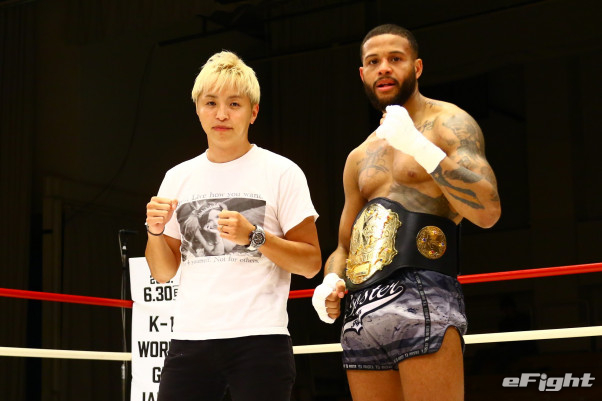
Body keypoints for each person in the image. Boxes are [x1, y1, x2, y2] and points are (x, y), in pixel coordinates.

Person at [311, 24, 501, 400]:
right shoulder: (359, 157)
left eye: (395, 59)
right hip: (361, 310)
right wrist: (330, 281)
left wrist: (420, 148)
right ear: (362, 74)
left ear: (416, 67)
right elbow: (344, 246)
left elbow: (488, 210)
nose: (384, 67)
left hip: (424, 293)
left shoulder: (449, 124)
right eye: (373, 62)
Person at [145, 50, 322, 401]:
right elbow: (163, 273)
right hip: (190, 338)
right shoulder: (177, 177)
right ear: (198, 109)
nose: (222, 114)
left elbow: (311, 263)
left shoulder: (282, 172)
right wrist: (154, 231)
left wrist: (254, 236)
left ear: (253, 112)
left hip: (260, 338)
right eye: (211, 103)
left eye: (234, 104)